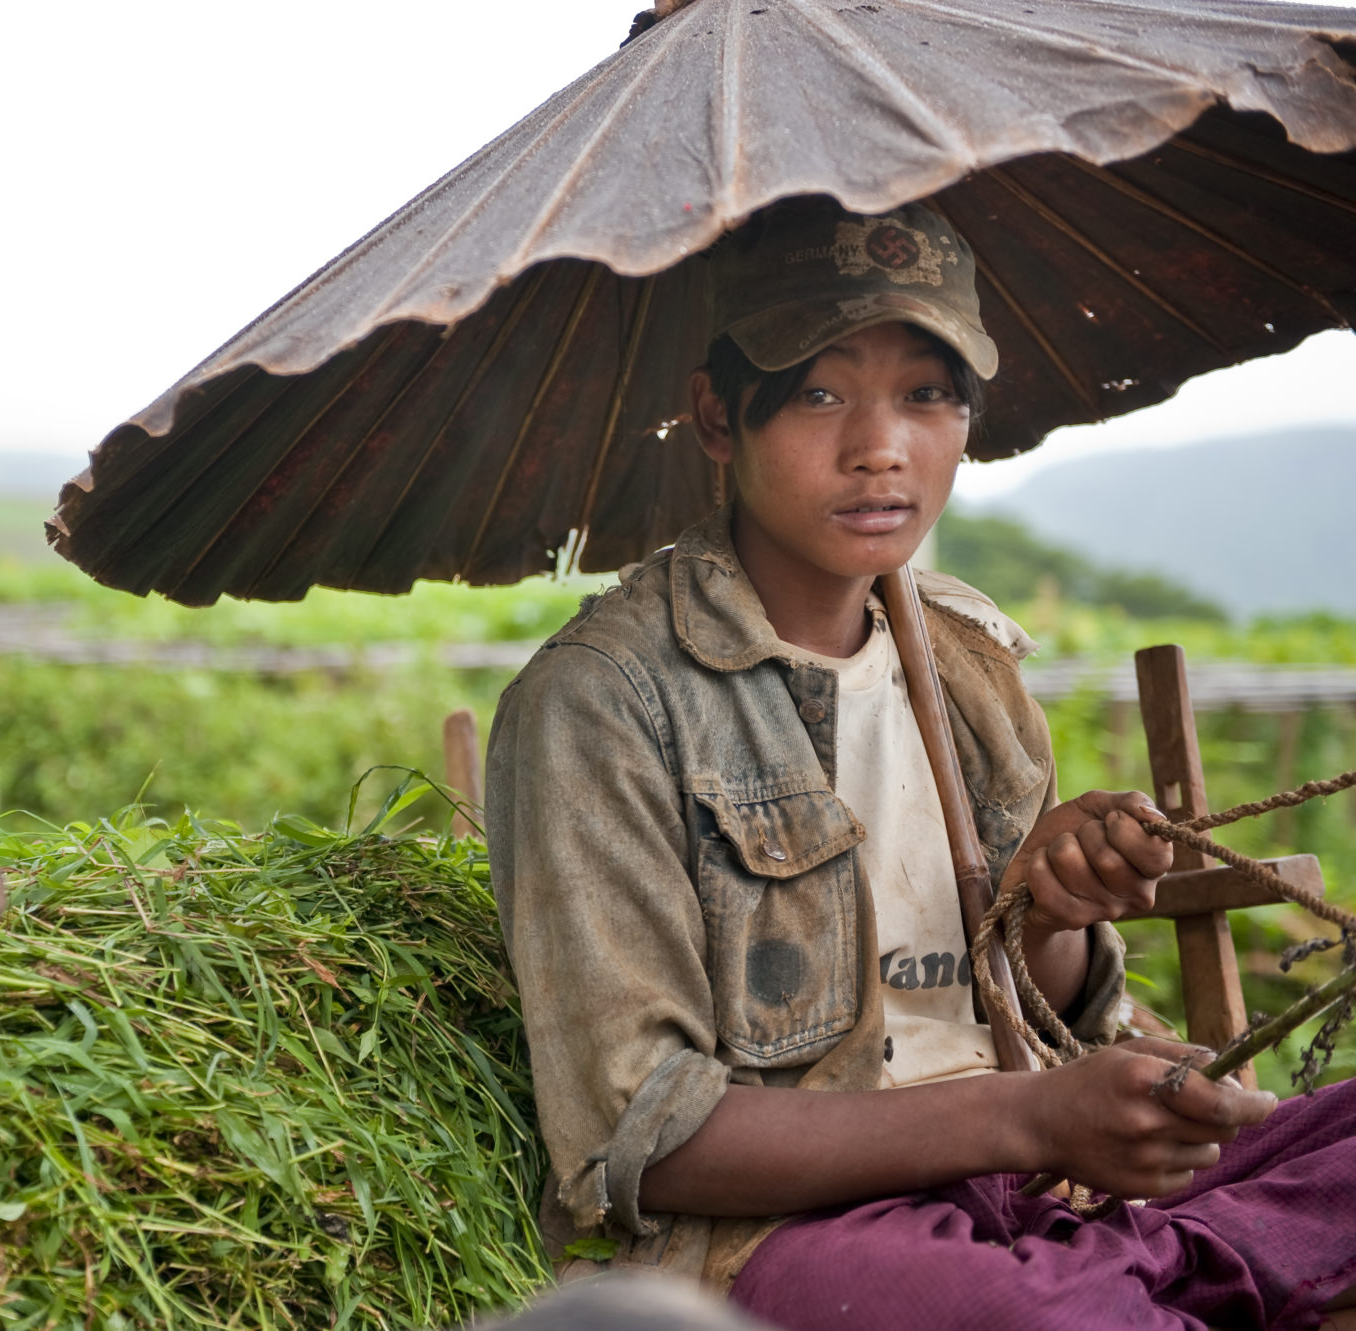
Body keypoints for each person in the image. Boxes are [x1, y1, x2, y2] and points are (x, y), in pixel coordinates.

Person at [485, 197, 1356, 1330]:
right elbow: (647, 1137)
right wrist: (1028, 1118)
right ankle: (1148, 1276)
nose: (879, 447)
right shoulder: (603, 699)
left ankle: (1132, 1269)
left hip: (1033, 1185)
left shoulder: (964, 660)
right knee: (1030, 1312)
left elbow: (1026, 1006)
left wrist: (1049, 907)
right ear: (715, 415)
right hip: (796, 1234)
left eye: (926, 394)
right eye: (818, 392)